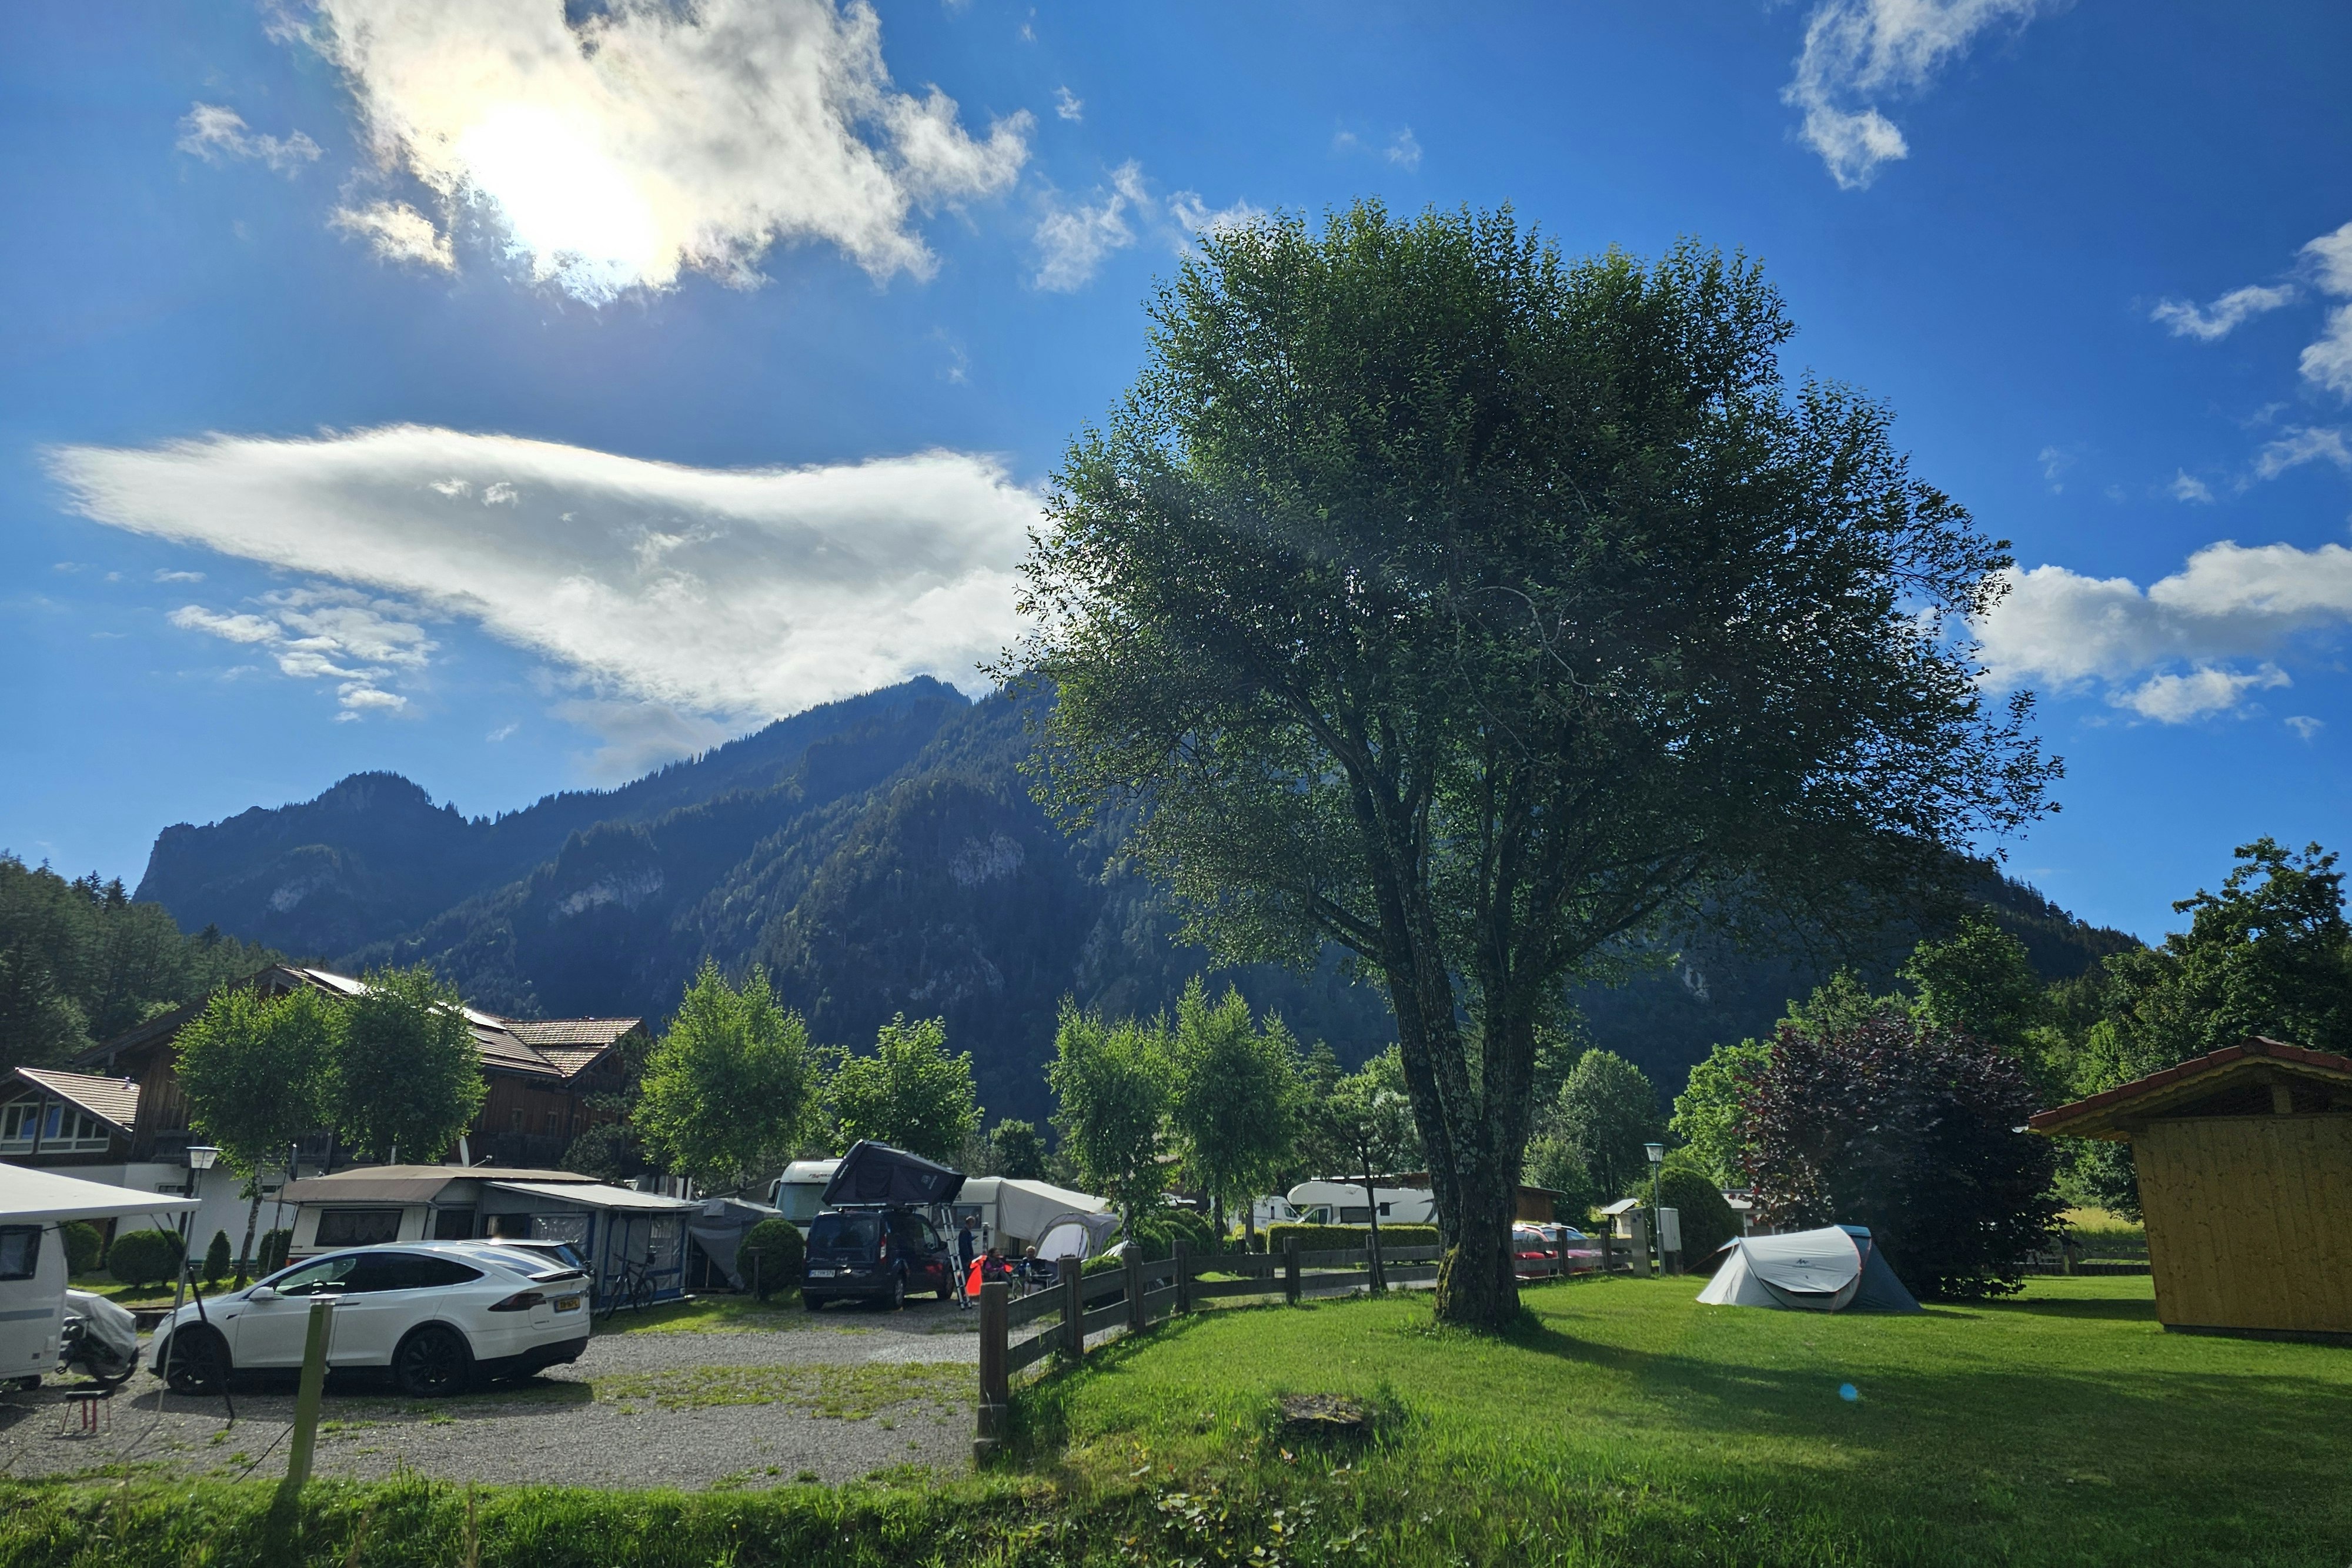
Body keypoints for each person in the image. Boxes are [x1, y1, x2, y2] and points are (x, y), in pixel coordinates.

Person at [956, 1215, 980, 1310]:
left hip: (965, 1257)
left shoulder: (966, 1232)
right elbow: (964, 1246)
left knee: (965, 1277)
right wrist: (968, 1258)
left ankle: (962, 1296)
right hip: (964, 1258)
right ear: (969, 1223)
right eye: (973, 1223)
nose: (973, 1225)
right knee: (963, 1278)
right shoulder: (964, 1232)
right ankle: (961, 1297)